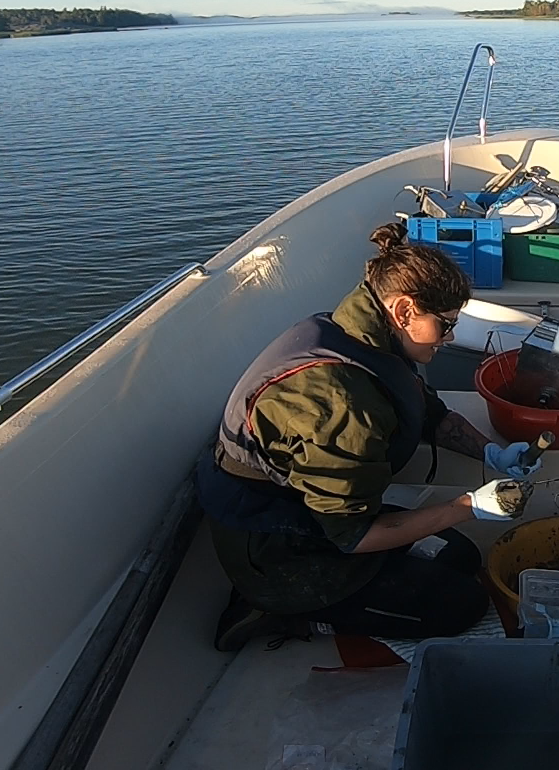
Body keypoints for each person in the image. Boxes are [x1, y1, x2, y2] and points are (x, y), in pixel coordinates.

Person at [198, 221, 539, 651]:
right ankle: (279, 608)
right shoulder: (342, 405)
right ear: (404, 312)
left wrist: (491, 452)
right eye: (445, 324)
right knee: (461, 605)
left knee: (462, 557)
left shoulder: (358, 332)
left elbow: (426, 407)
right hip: (278, 544)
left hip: (314, 507)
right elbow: (354, 535)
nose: (450, 337)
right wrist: (468, 506)